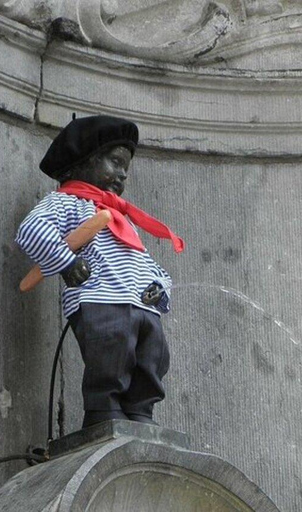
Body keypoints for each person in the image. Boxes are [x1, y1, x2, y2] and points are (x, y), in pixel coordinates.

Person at [16, 115, 185, 428]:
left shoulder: (122, 218)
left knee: (153, 356)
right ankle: (103, 411)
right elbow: (33, 230)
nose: (121, 175)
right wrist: (66, 262)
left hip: (142, 305)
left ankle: (139, 411)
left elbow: (145, 262)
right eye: (115, 162)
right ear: (84, 161)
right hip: (101, 299)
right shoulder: (67, 203)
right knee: (111, 351)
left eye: (125, 168)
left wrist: (159, 286)